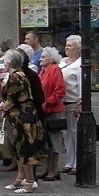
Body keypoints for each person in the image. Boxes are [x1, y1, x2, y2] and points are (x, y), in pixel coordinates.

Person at [0, 49, 48, 193]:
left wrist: (0, 110)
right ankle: (20, 179)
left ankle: (29, 182)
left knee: (24, 150)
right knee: (19, 150)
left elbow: (10, 100)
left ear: (9, 63)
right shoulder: (20, 75)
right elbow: (10, 99)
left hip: (23, 117)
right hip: (23, 115)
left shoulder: (15, 77)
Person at [38, 47, 66, 181]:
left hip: (53, 110)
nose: (40, 59)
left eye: (43, 57)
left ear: (51, 58)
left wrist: (47, 102)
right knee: (46, 141)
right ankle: (46, 168)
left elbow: (59, 91)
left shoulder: (55, 69)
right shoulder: (43, 72)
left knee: (54, 141)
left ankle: (53, 170)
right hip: (44, 111)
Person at [58, 35, 81, 177]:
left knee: (75, 133)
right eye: (66, 45)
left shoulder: (79, 65)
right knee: (66, 134)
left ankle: (78, 163)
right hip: (62, 103)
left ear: (78, 48)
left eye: (70, 45)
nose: (67, 47)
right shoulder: (62, 62)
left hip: (73, 102)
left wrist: (80, 102)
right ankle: (69, 162)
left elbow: (82, 85)